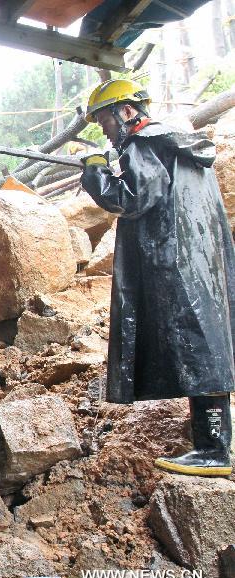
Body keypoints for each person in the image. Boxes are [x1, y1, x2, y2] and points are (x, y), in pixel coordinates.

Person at [80, 79, 235, 477]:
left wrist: (96, 171)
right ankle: (213, 441)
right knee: (206, 344)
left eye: (104, 120)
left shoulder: (144, 143)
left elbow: (130, 198)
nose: (104, 130)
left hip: (171, 260)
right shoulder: (179, 144)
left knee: (197, 348)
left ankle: (213, 451)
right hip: (199, 259)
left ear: (126, 111)